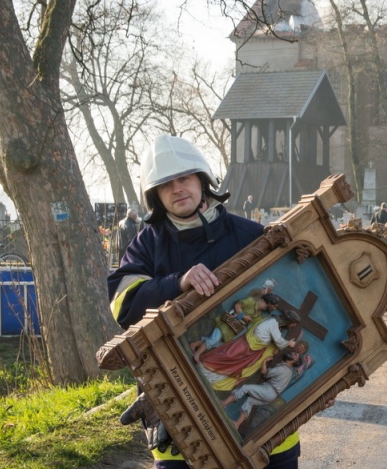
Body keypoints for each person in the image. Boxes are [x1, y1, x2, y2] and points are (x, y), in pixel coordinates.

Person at [107, 134, 300, 468]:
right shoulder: (147, 244)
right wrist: (178, 283)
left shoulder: (250, 235)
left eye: (184, 178)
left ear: (202, 180)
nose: (177, 189)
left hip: (265, 424)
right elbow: (123, 304)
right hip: (180, 420)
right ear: (156, 195)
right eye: (166, 184)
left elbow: (291, 290)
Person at [222, 350, 302, 432]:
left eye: (295, 354)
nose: (292, 353)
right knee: (250, 401)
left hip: (268, 391)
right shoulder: (289, 371)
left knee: (245, 388)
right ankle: (237, 424)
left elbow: (264, 372)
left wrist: (264, 361)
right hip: (271, 395)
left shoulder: (283, 369)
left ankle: (224, 404)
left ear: (295, 361)